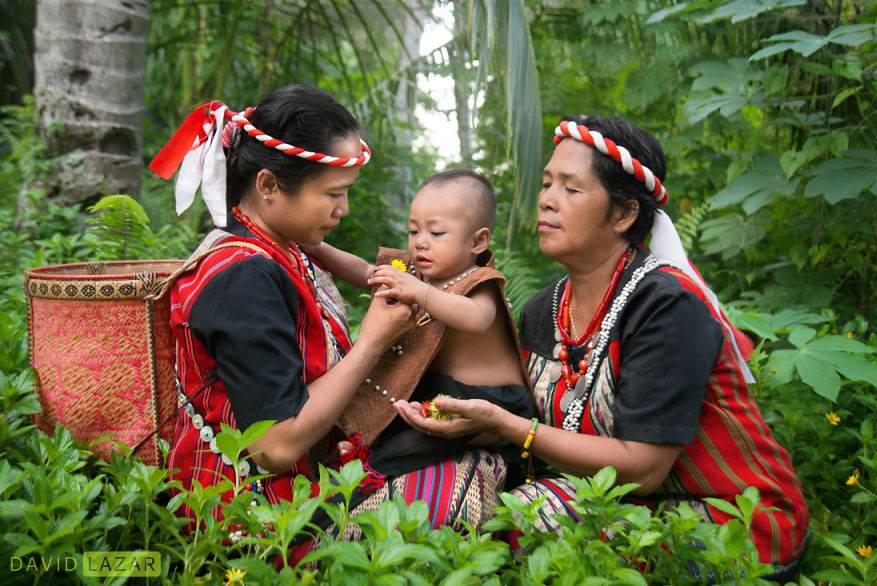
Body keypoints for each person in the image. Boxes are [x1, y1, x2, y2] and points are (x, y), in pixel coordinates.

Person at [395, 116, 810, 579]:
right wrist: (475, 425)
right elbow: (531, 418)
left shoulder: (667, 306)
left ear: (624, 214)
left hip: (733, 521)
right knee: (440, 497)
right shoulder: (543, 308)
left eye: (571, 189)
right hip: (610, 496)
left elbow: (644, 469)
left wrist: (507, 427)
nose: (547, 199)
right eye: (548, 182)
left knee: (523, 520)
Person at [148, 85, 506, 554]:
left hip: (302, 486)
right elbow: (275, 447)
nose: (344, 209)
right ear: (269, 186)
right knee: (472, 477)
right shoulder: (243, 277)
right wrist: (372, 343)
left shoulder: (284, 251)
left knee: (470, 457)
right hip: (252, 519)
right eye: (334, 193)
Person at [306, 169, 535, 477]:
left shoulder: (481, 281)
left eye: (436, 233)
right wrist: (317, 248)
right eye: (414, 232)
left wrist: (419, 291)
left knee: (399, 453)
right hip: (436, 394)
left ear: (478, 241)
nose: (421, 243)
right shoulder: (416, 273)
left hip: (491, 400)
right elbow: (367, 272)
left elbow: (478, 319)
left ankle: (371, 472)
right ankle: (359, 452)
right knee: (391, 421)